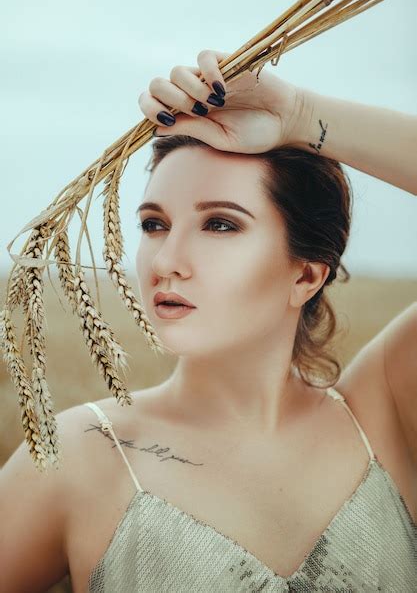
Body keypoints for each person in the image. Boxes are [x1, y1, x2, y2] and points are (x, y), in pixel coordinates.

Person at [1, 49, 416, 592]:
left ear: (307, 276)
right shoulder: (77, 455)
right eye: (154, 224)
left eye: (219, 225)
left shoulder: (386, 416)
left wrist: (299, 115)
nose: (167, 259)